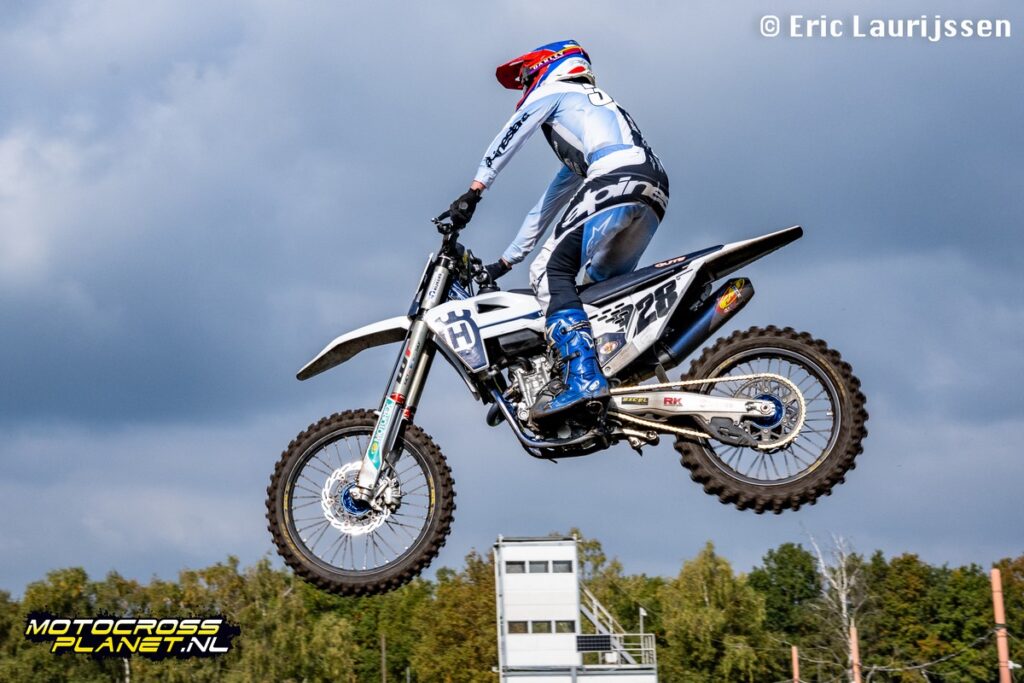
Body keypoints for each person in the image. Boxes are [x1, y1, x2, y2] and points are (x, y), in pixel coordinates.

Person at [447, 39, 669, 422]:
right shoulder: (592, 120)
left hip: (615, 179)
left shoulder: (555, 90)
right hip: (652, 187)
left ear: (548, 66)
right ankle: (621, 378)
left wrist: (475, 190)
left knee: (548, 273)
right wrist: (505, 262)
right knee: (597, 295)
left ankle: (583, 378)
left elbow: (510, 136)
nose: (525, 86)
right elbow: (547, 206)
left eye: (526, 77)